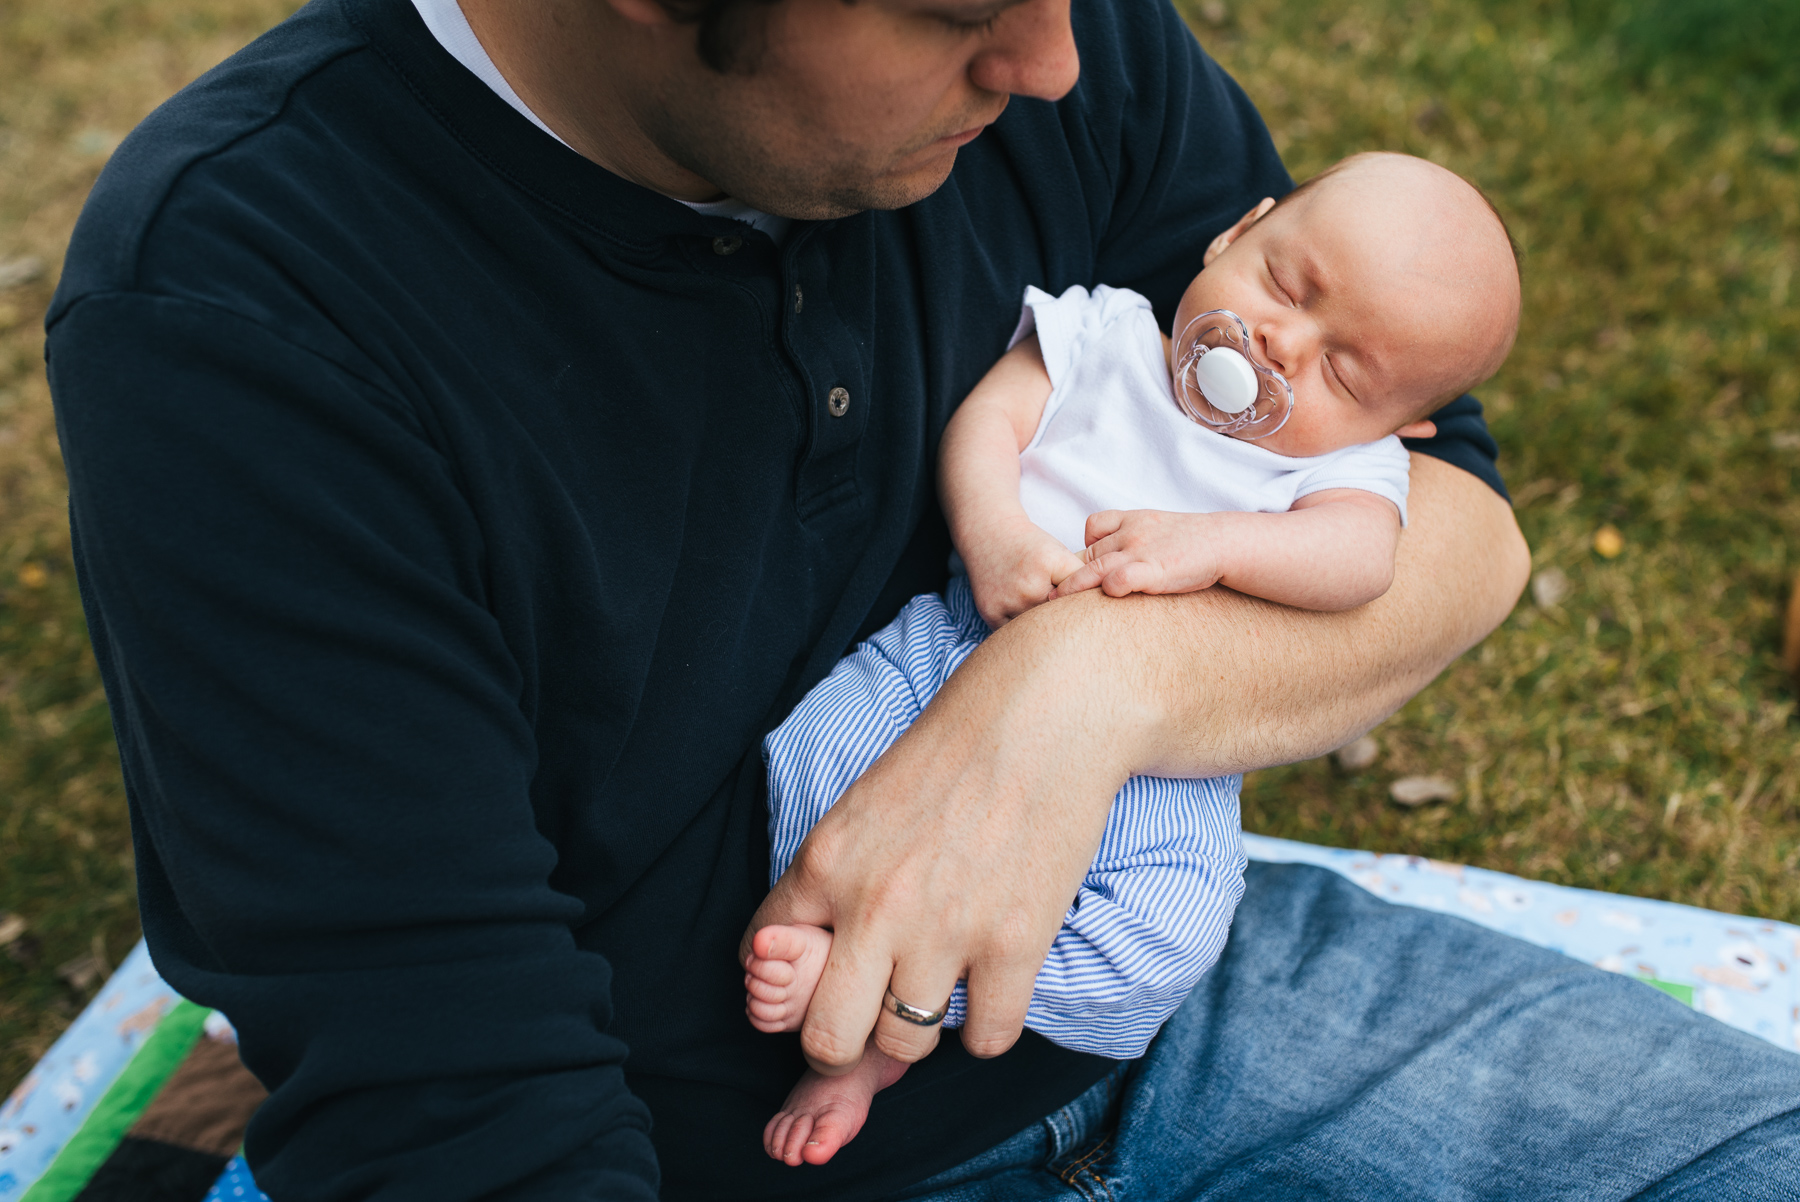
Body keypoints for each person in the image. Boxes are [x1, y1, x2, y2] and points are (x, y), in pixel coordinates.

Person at [42, 0, 1799, 1196]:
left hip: (1164, 1002)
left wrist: (1070, 704)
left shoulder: (1064, 34)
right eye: (956, 13)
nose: (1052, 63)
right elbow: (461, 1102)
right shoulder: (249, 314)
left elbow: (1456, 523)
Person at [747, 150, 1523, 1167]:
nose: (1284, 346)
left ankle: (915, 1006)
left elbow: (1359, 560)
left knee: (1169, 938)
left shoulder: (1343, 466)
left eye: (1345, 372)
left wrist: (1216, 543)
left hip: (1160, 770)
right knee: (812, 750)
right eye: (1287, 286)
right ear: (1235, 233)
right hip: (949, 651)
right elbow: (990, 424)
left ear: (1404, 424)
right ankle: (841, 948)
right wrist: (996, 536)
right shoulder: (1104, 330)